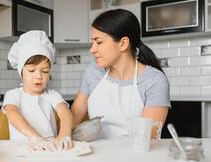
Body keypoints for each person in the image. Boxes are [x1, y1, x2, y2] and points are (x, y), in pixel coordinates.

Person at [70, 9, 170, 139]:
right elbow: (73, 120)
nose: (92, 49)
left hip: (135, 157)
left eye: (99, 42)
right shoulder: (93, 72)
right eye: (92, 42)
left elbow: (147, 137)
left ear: (123, 43)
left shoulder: (154, 80)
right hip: (95, 155)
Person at [2, 30, 73, 150]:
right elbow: (13, 114)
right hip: (22, 150)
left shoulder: (52, 94)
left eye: (45, 71)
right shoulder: (13, 95)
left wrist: (64, 134)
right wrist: (35, 137)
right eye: (31, 70)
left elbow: (64, 112)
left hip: (50, 149)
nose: (39, 76)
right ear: (21, 72)